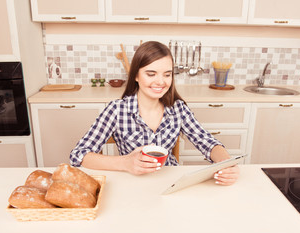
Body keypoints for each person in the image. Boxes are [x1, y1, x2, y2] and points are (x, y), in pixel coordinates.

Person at [70, 41, 239, 185]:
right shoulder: (117, 109)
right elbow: (78, 155)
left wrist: (226, 163)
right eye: (151, 74)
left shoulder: (178, 109)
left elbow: (206, 141)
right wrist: (125, 163)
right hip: (131, 184)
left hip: (170, 182)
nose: (160, 82)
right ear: (135, 75)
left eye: (167, 74)